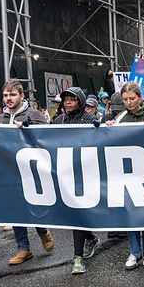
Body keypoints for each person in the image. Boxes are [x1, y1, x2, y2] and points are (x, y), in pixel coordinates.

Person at [0, 79, 54, 264]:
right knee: (15, 209)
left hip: (30, 170)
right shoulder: (1, 119)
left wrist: (28, 129)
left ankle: (43, 232)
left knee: (33, 205)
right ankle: (23, 248)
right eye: (5, 95)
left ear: (21, 95)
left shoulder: (34, 114)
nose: (8, 98)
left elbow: (48, 138)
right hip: (8, 171)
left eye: (12, 95)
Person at [106, 83, 144, 270]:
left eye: (132, 98)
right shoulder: (120, 117)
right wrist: (109, 129)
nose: (129, 102)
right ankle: (135, 251)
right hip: (128, 173)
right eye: (126, 99)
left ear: (140, 97)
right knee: (130, 213)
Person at [53, 87, 101, 274]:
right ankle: (90, 238)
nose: (68, 103)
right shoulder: (58, 121)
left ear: (80, 101)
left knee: (77, 214)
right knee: (73, 215)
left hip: (86, 175)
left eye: (72, 99)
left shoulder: (89, 120)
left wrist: (101, 128)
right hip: (65, 174)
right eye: (65, 99)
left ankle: (78, 257)